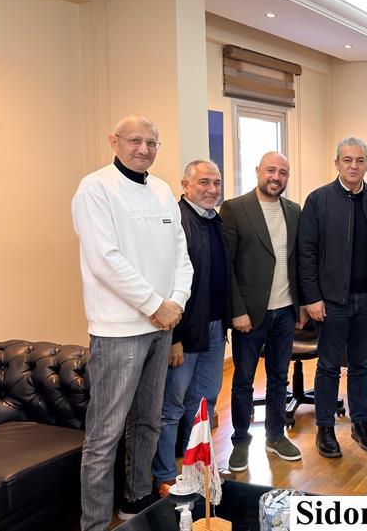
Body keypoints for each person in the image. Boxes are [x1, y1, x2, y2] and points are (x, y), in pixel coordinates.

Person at [72, 115, 193, 529]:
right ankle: (94, 523)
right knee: (104, 435)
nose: (144, 149)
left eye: (151, 143)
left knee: (148, 421)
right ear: (114, 141)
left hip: (161, 326)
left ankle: (135, 501)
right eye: (135, 141)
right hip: (118, 331)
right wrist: (154, 304)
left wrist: (175, 303)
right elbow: (105, 260)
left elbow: (181, 256)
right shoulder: (95, 188)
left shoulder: (161, 191)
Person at [297, 136, 367, 457]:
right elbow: (306, 253)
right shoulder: (318, 200)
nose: (353, 166)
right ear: (336, 163)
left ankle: (360, 422)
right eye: (347, 160)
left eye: (360, 160)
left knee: (361, 365)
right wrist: (312, 297)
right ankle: (325, 428)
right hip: (331, 301)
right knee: (329, 366)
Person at [220, 152, 305, 471]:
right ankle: (241, 441)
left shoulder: (293, 210)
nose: (276, 177)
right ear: (258, 171)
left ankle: (275, 435)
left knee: (279, 379)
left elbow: (297, 261)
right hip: (250, 314)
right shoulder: (235, 208)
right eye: (271, 170)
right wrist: (236, 311)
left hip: (285, 311)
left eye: (283, 172)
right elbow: (227, 265)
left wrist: (300, 305)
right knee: (243, 380)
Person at [152, 160, 231, 496]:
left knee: (204, 401)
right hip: (184, 332)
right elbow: (166, 282)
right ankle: (165, 475)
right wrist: (174, 338)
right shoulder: (176, 221)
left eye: (216, 183)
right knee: (172, 406)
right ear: (184, 185)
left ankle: (196, 468)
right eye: (203, 182)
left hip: (214, 327)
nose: (212, 189)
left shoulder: (215, 221)